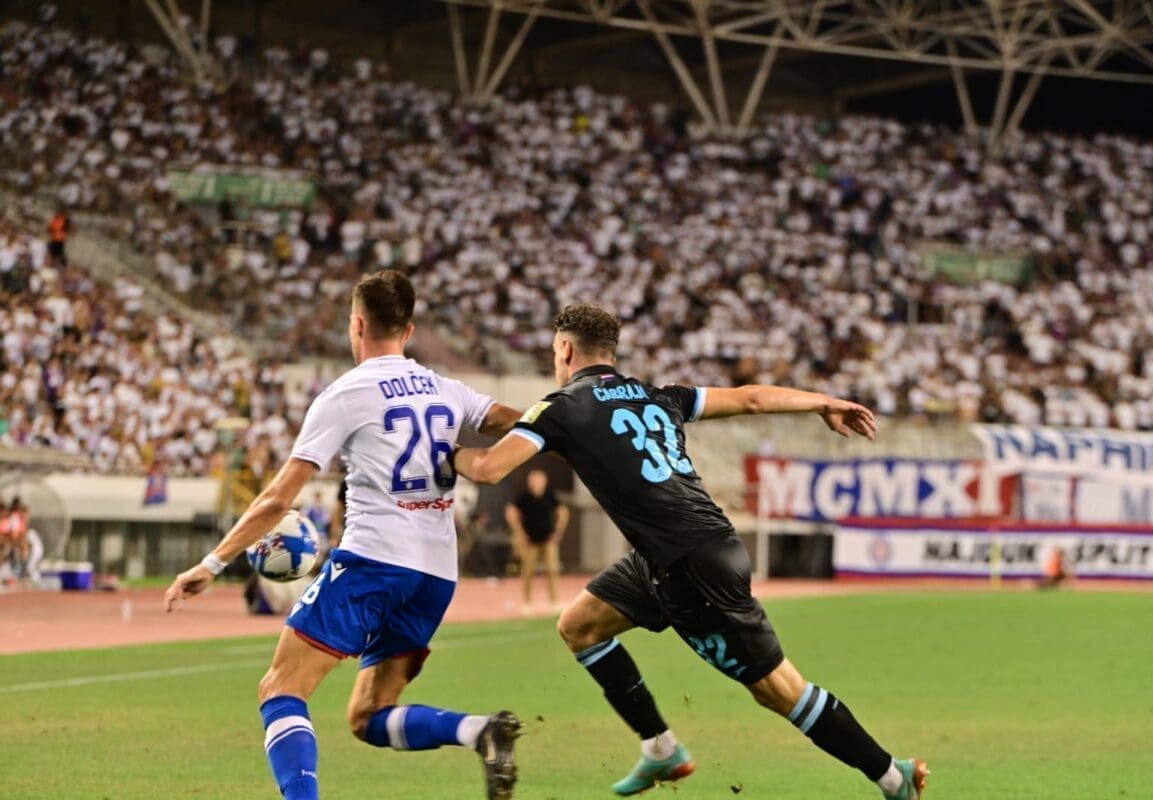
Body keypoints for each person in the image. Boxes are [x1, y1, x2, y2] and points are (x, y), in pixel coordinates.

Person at [455, 304, 928, 799]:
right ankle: (660, 748)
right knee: (580, 626)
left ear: (565, 350)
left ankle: (893, 778)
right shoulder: (657, 396)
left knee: (780, 691)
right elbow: (750, 399)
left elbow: (487, 470)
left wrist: (438, 447)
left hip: (691, 568)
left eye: (555, 352)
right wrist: (823, 401)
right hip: (672, 554)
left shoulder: (562, 406)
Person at [164, 270, 525, 800]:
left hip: (373, 561)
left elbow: (276, 499)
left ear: (356, 324)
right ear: (410, 329)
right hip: (435, 576)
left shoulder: (347, 393)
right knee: (367, 715)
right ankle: (480, 730)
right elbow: (513, 419)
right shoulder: (450, 392)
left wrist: (213, 563)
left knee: (280, 690)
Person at [506, 469, 568, 613]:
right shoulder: (524, 497)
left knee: (552, 570)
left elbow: (563, 512)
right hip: (530, 541)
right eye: (533, 480)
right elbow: (511, 512)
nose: (536, 483)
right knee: (528, 571)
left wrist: (558, 532)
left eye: (539, 479)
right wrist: (520, 533)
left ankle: (554, 601)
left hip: (548, 539)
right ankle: (527, 602)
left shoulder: (550, 495)